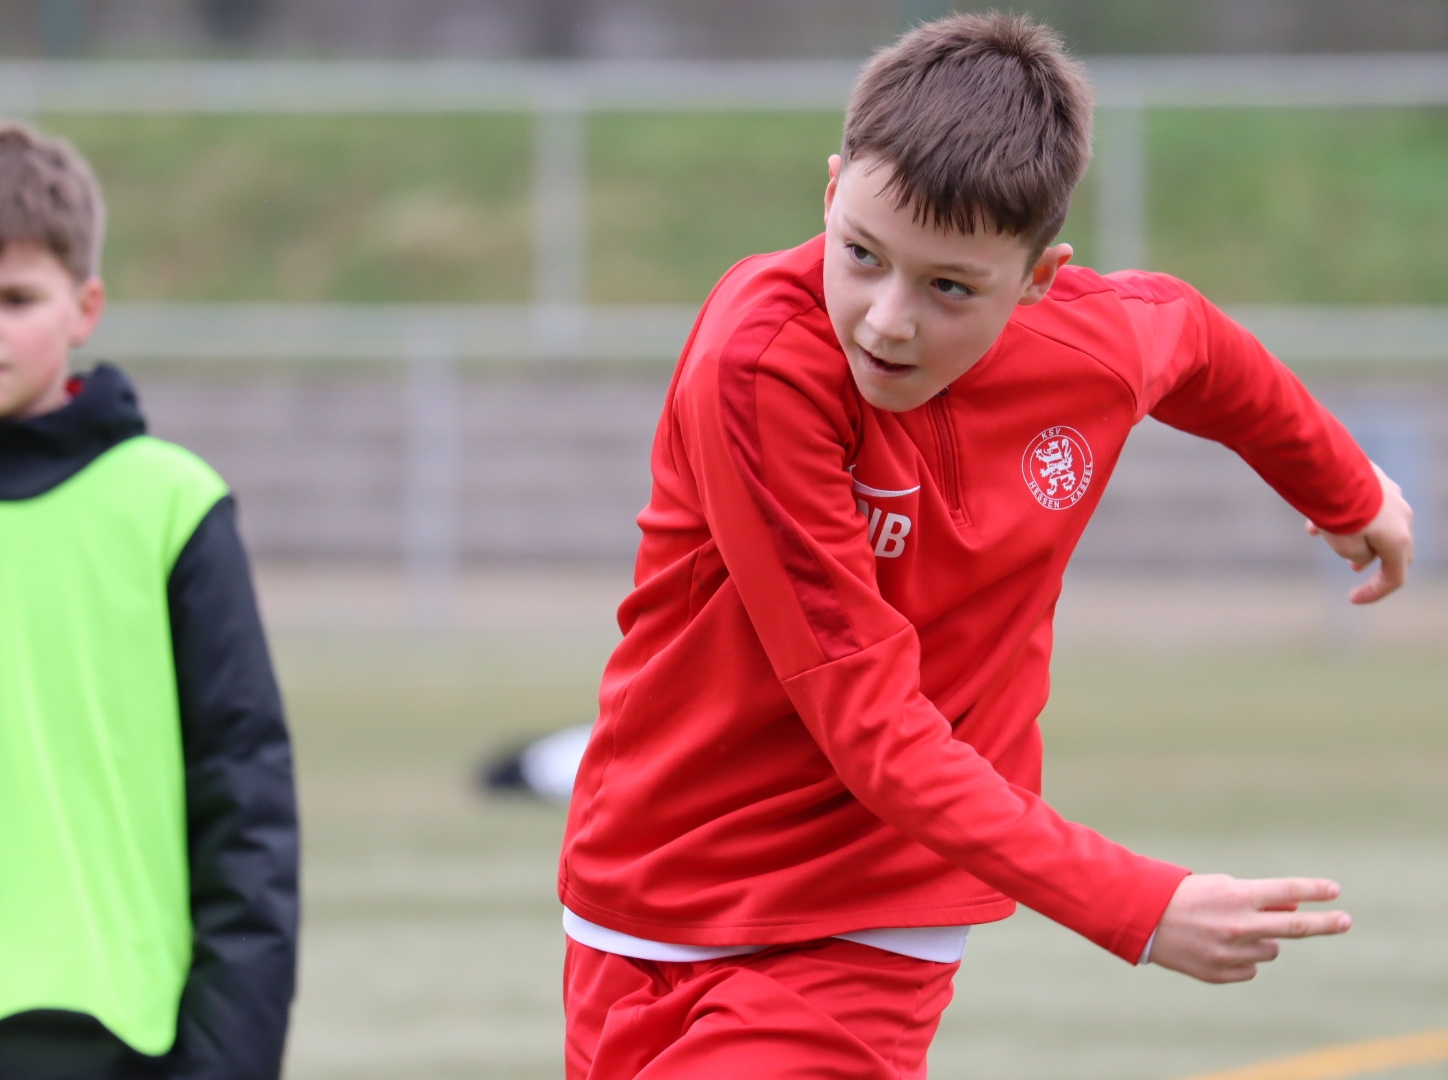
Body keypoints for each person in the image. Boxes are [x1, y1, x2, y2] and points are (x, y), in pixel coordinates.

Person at [558, 13, 1414, 1079]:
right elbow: (868, 720)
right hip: (640, 886)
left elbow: (1196, 343)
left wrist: (1348, 489)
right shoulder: (762, 365)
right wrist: (1142, 905)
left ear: (1041, 276)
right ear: (831, 192)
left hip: (869, 912)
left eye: (949, 287)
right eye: (861, 256)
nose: (887, 320)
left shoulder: (1088, 347)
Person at [0, 116, 299, 1080]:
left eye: (13, 297)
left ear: (85, 307)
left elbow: (244, 806)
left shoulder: (170, 506)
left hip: (96, 1038)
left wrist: (227, 1058)